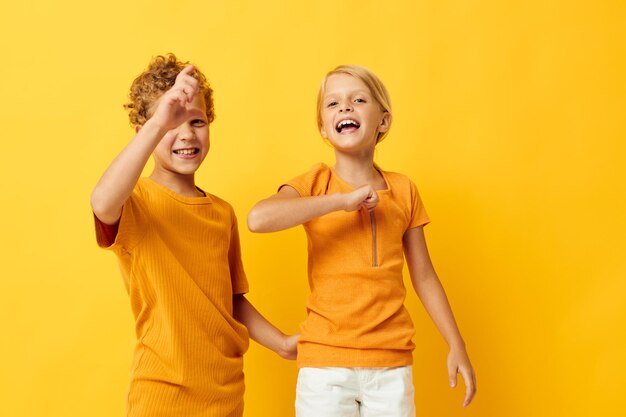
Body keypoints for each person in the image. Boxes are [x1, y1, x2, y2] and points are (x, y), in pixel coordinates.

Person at [247, 64, 476, 416]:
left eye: (358, 100)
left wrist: (456, 343)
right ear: (324, 127)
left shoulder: (403, 190)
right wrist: (341, 201)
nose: (345, 108)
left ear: (382, 121)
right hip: (325, 365)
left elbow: (425, 276)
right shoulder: (316, 183)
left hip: (391, 364)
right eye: (333, 104)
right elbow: (258, 219)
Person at [91, 54, 297, 417]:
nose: (186, 133)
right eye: (171, 123)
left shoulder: (222, 213)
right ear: (145, 132)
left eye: (197, 121)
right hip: (163, 393)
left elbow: (229, 300)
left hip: (225, 393)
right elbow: (102, 202)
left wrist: (281, 343)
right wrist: (158, 123)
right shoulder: (136, 201)